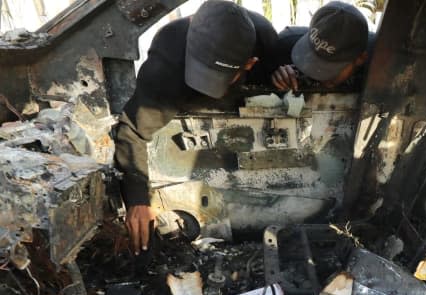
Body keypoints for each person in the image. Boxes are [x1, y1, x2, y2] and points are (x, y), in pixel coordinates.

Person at [114, 0, 279, 255]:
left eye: (216, 76)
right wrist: (137, 199)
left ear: (249, 64)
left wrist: (283, 78)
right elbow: (133, 130)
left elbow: (279, 78)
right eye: (201, 71)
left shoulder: (265, 39)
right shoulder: (166, 61)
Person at [270, 2, 372, 92]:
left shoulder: (378, 68)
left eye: (329, 68)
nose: (318, 75)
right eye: (312, 60)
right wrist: (280, 77)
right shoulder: (286, 45)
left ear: (360, 58)